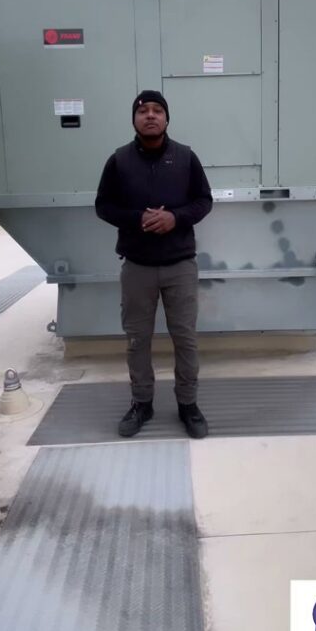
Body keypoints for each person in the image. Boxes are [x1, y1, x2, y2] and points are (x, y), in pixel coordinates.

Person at [95, 90, 213, 439]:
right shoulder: (118, 161)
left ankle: (188, 405)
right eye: (143, 110)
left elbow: (204, 201)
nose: (150, 115)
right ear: (134, 119)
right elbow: (104, 206)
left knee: (186, 340)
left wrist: (175, 219)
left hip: (180, 265)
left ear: (166, 119)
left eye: (157, 110)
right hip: (137, 267)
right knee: (137, 340)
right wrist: (139, 220)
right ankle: (141, 403)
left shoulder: (186, 158)